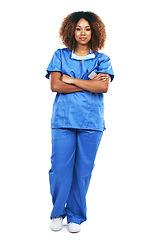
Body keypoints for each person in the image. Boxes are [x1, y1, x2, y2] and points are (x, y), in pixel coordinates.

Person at [45, 11, 114, 233]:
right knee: (59, 169)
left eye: (87, 28)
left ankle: (76, 215)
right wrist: (87, 82)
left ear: (94, 31)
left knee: (83, 171)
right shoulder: (60, 55)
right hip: (63, 121)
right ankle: (57, 212)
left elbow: (102, 87)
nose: (83, 33)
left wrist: (71, 79)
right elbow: (56, 86)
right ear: (71, 31)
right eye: (78, 28)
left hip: (91, 122)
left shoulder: (102, 60)